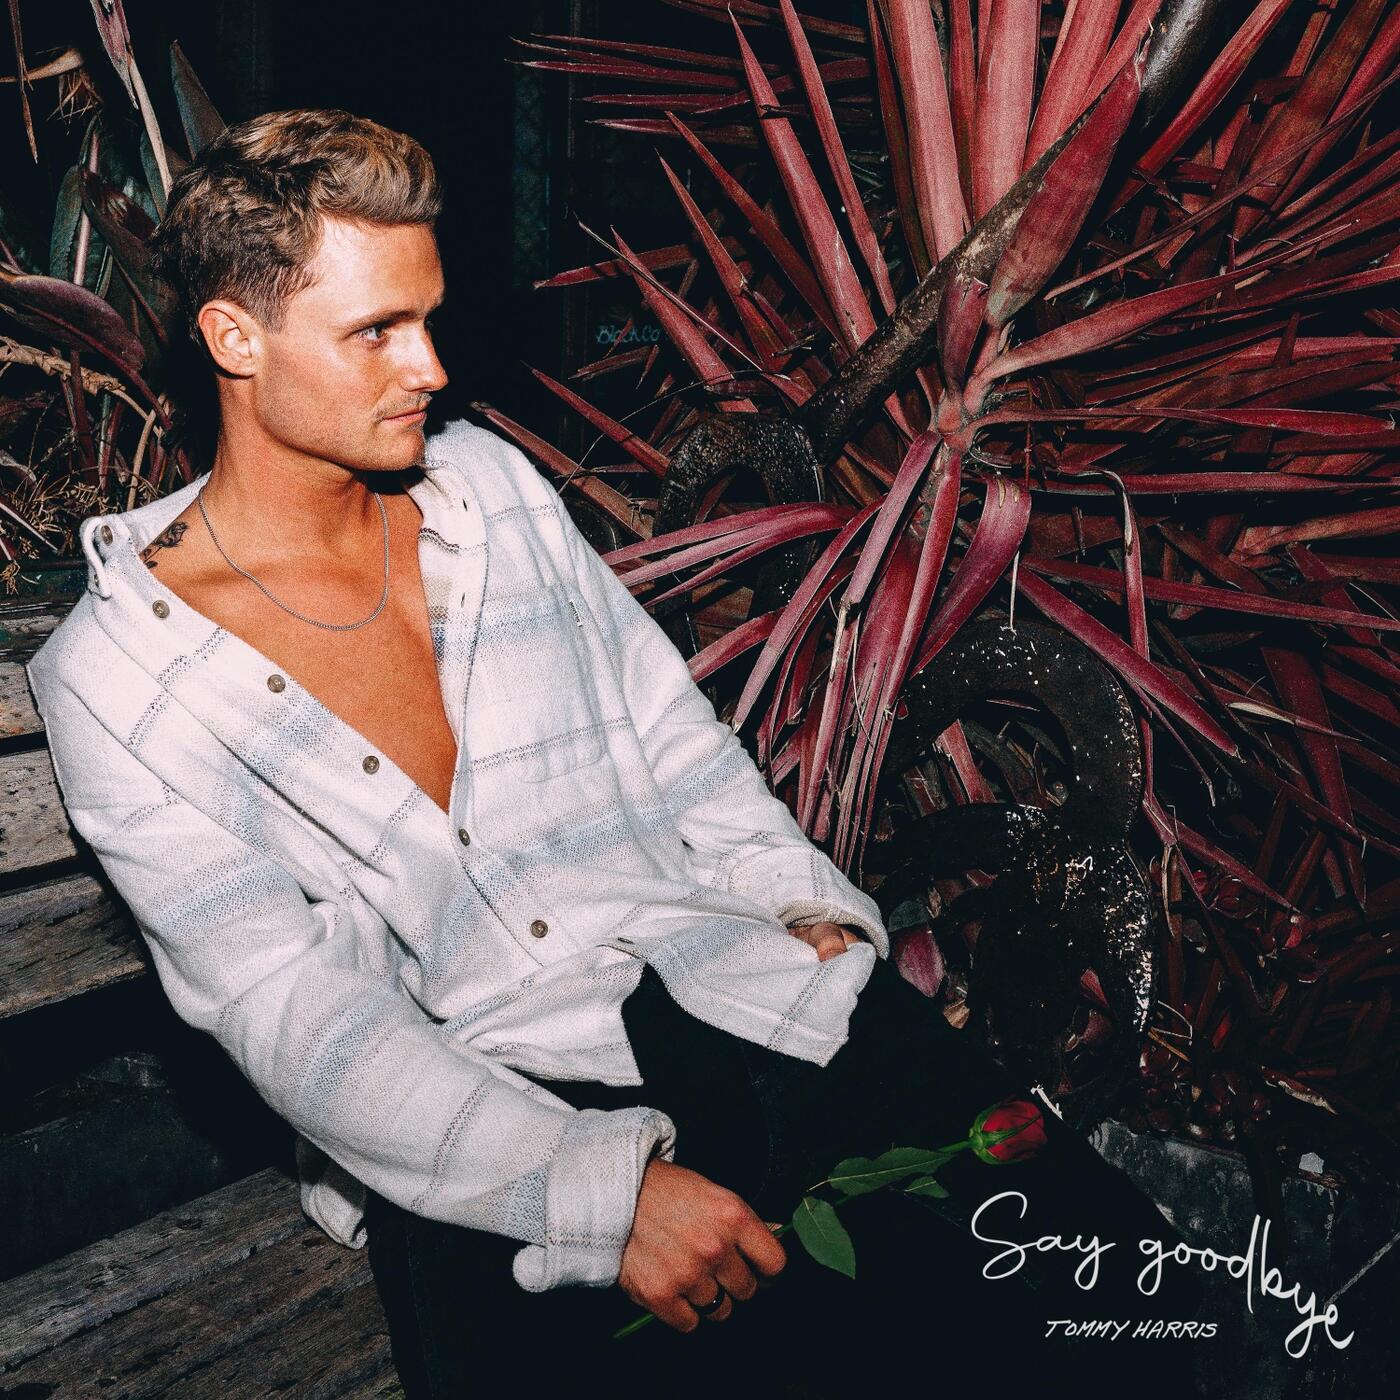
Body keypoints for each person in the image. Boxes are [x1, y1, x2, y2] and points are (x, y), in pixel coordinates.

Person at [26, 109, 1204, 1397]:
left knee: (1135, 1318)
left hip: (735, 983)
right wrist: (594, 1193)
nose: (429, 367)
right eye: (376, 331)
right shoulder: (119, 679)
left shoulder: (489, 493)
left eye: (429, 318)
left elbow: (668, 730)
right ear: (233, 339)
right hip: (487, 1118)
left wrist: (793, 896)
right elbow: (290, 1014)